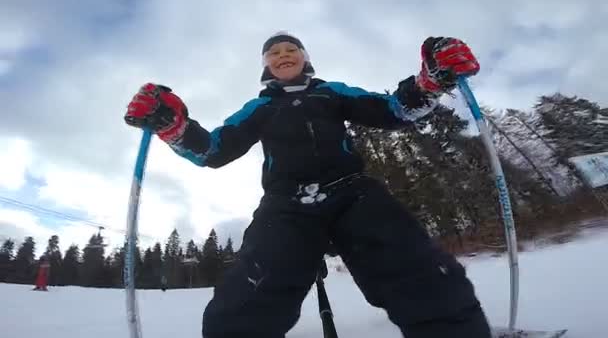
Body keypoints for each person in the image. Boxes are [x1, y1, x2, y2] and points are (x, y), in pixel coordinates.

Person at [124, 31, 491, 338]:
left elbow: (392, 110)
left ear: (305, 58)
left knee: (413, 266)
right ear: (266, 66)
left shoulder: (330, 93)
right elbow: (215, 150)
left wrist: (429, 83)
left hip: (353, 192)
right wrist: (173, 127)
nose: (283, 55)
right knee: (254, 286)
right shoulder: (260, 108)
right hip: (286, 204)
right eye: (274, 53)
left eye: (291, 50)